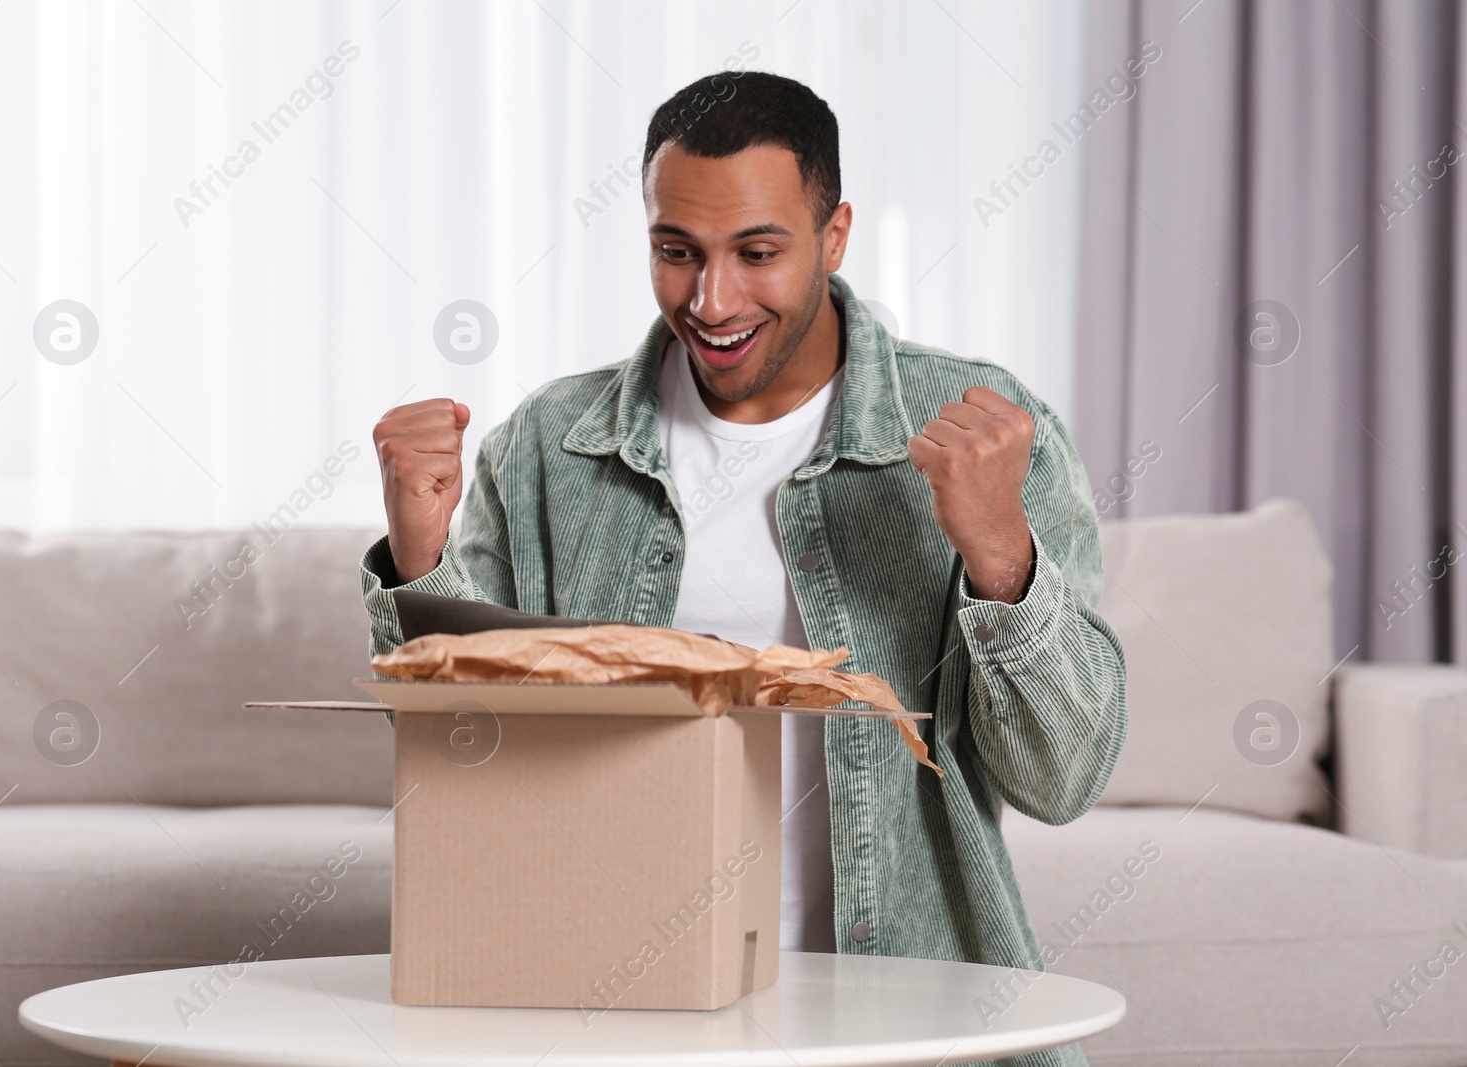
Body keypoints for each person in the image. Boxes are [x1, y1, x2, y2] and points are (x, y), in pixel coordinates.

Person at [363, 70, 1126, 1067]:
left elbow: (1063, 776)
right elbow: (468, 755)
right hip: (621, 1011)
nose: (711, 299)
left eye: (756, 252)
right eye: (676, 251)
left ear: (835, 234)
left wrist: (997, 553)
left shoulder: (982, 426)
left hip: (908, 1019)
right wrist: (417, 551)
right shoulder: (552, 445)